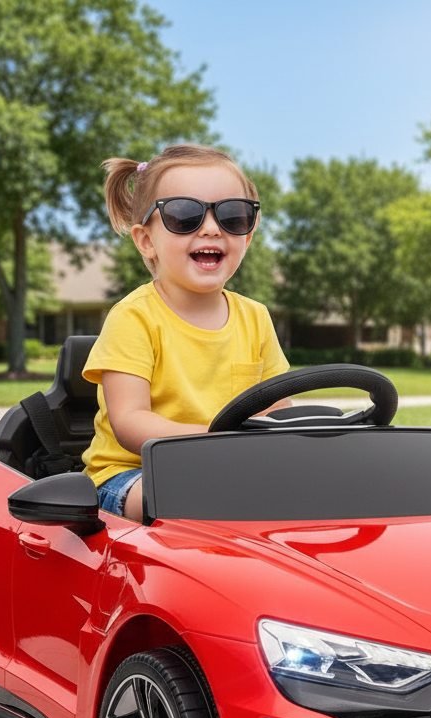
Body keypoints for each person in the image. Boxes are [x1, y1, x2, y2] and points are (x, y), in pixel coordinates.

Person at [81, 144, 291, 521]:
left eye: (233, 216)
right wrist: (216, 440)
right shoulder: (133, 317)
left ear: (247, 236)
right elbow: (130, 422)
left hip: (230, 471)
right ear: (146, 241)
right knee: (191, 495)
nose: (211, 228)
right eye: (184, 216)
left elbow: (278, 409)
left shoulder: (256, 318)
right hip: (132, 475)